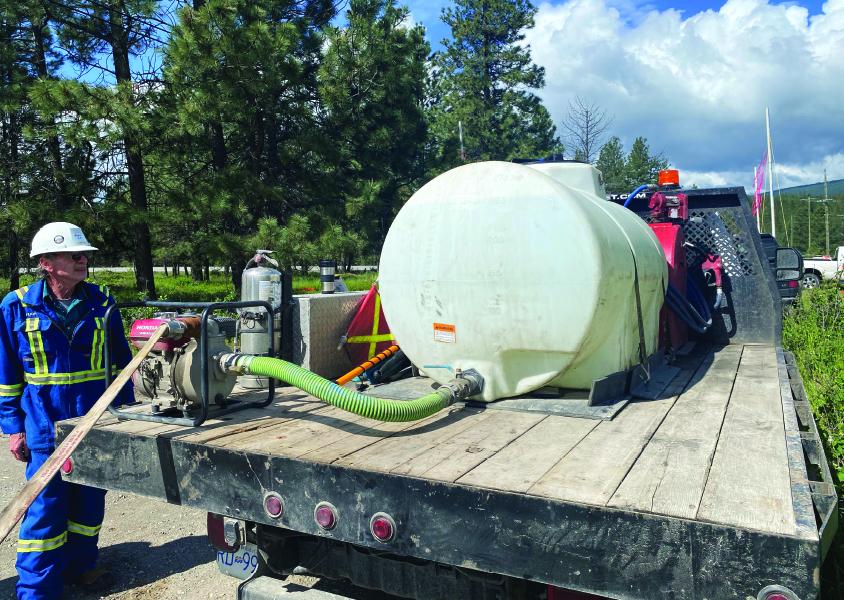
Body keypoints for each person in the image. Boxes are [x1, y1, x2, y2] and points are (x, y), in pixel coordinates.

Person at [0, 222, 134, 600]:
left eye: (84, 256)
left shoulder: (102, 302)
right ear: (46, 262)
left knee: (89, 505)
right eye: (73, 255)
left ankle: (81, 567)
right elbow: (7, 375)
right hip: (45, 426)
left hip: (96, 423)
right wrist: (13, 427)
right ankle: (37, 590)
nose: (82, 261)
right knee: (45, 510)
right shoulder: (17, 305)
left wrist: (127, 418)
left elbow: (122, 365)